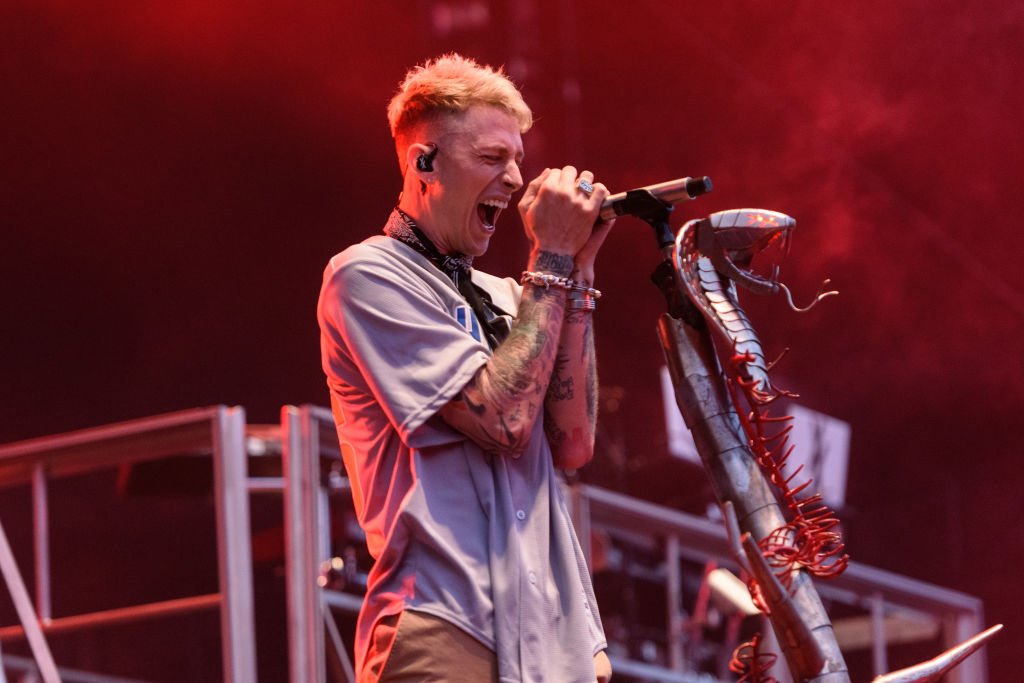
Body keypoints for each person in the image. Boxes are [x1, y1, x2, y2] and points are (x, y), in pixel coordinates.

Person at [317, 53, 614, 682]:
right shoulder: (366, 276)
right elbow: (502, 420)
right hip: (446, 625)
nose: (513, 181)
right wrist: (554, 261)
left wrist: (578, 274)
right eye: (491, 159)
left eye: (517, 162)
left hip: (554, 640)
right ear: (424, 163)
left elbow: (574, 443)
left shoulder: (515, 293)